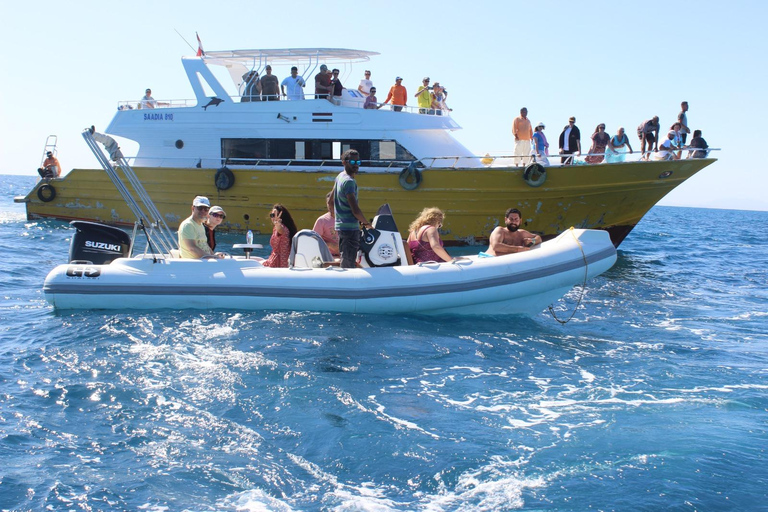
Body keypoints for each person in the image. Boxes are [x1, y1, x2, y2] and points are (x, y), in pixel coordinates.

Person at [330, 149, 373, 268]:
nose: (355, 165)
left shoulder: (340, 177)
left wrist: (336, 217)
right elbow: (355, 210)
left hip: (341, 227)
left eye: (358, 162)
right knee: (348, 261)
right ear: (343, 162)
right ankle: (345, 284)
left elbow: (330, 201)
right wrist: (366, 223)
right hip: (350, 229)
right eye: (352, 162)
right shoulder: (349, 182)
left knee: (345, 257)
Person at [263, 204, 298, 268]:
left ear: (281, 216)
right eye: (272, 215)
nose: (273, 218)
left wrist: (277, 224)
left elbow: (280, 230)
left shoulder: (283, 228)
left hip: (279, 264)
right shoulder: (277, 228)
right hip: (274, 260)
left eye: (275, 215)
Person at [312, 192, 340, 257]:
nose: (330, 206)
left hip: (345, 256)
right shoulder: (322, 220)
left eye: (333, 203)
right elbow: (313, 240)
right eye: (328, 203)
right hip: (328, 257)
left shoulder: (346, 219)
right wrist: (329, 245)